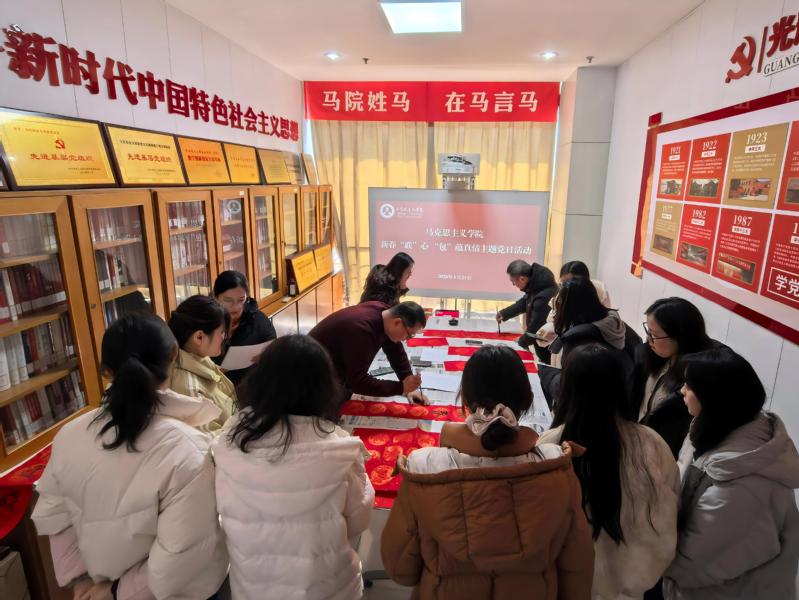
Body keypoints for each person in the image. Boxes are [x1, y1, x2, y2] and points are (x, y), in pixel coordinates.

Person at [31, 313, 228, 599]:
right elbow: (181, 553)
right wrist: (114, 591)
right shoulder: (188, 448)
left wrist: (81, 581)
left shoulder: (68, 435)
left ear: (106, 370)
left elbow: (55, 516)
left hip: (97, 588)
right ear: (174, 354)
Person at [382, 345, 595, 599]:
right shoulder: (556, 466)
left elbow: (401, 570)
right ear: (526, 400)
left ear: (466, 399)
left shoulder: (424, 468)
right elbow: (577, 570)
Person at [214, 335, 374, 599]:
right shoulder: (341, 451)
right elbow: (359, 521)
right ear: (323, 386)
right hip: (322, 586)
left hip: (254, 583)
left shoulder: (229, 443)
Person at [538, 343, 680, 600]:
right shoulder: (652, 443)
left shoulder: (551, 445)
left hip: (565, 585)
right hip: (634, 585)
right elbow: (671, 511)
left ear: (568, 387)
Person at [664, 349, 799, 600]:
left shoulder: (744, 489)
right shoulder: (714, 427)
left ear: (714, 397)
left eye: (690, 386)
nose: (682, 390)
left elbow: (692, 563)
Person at [632, 297, 717, 458]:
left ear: (680, 336)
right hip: (639, 445)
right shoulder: (652, 357)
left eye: (654, 334)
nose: (648, 339)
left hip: (662, 456)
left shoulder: (693, 383)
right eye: (648, 331)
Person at [538, 277, 641, 408]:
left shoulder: (578, 340)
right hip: (619, 403)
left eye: (559, 301)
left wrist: (546, 374)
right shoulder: (614, 323)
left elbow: (568, 390)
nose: (555, 306)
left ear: (568, 307)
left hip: (586, 410)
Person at [309, 300, 428, 403]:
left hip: (332, 372)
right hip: (312, 378)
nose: (406, 340)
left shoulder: (385, 314)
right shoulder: (362, 330)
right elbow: (358, 382)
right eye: (409, 335)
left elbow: (395, 350)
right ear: (397, 322)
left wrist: (408, 383)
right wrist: (401, 388)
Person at [168, 295, 236, 434]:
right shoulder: (190, 390)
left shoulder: (198, 356)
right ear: (199, 337)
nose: (224, 337)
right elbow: (212, 442)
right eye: (222, 332)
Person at [212, 270, 276, 387]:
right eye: (228, 300)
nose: (235, 307)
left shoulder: (258, 321)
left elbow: (274, 349)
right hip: (213, 386)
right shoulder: (206, 322)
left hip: (250, 386)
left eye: (241, 300)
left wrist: (266, 358)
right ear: (216, 298)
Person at [496, 260, 558, 363]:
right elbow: (525, 301)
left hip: (547, 347)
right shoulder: (537, 284)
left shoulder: (544, 295)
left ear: (522, 279)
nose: (513, 284)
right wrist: (504, 313)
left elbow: (536, 327)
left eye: (513, 282)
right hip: (542, 343)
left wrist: (521, 341)